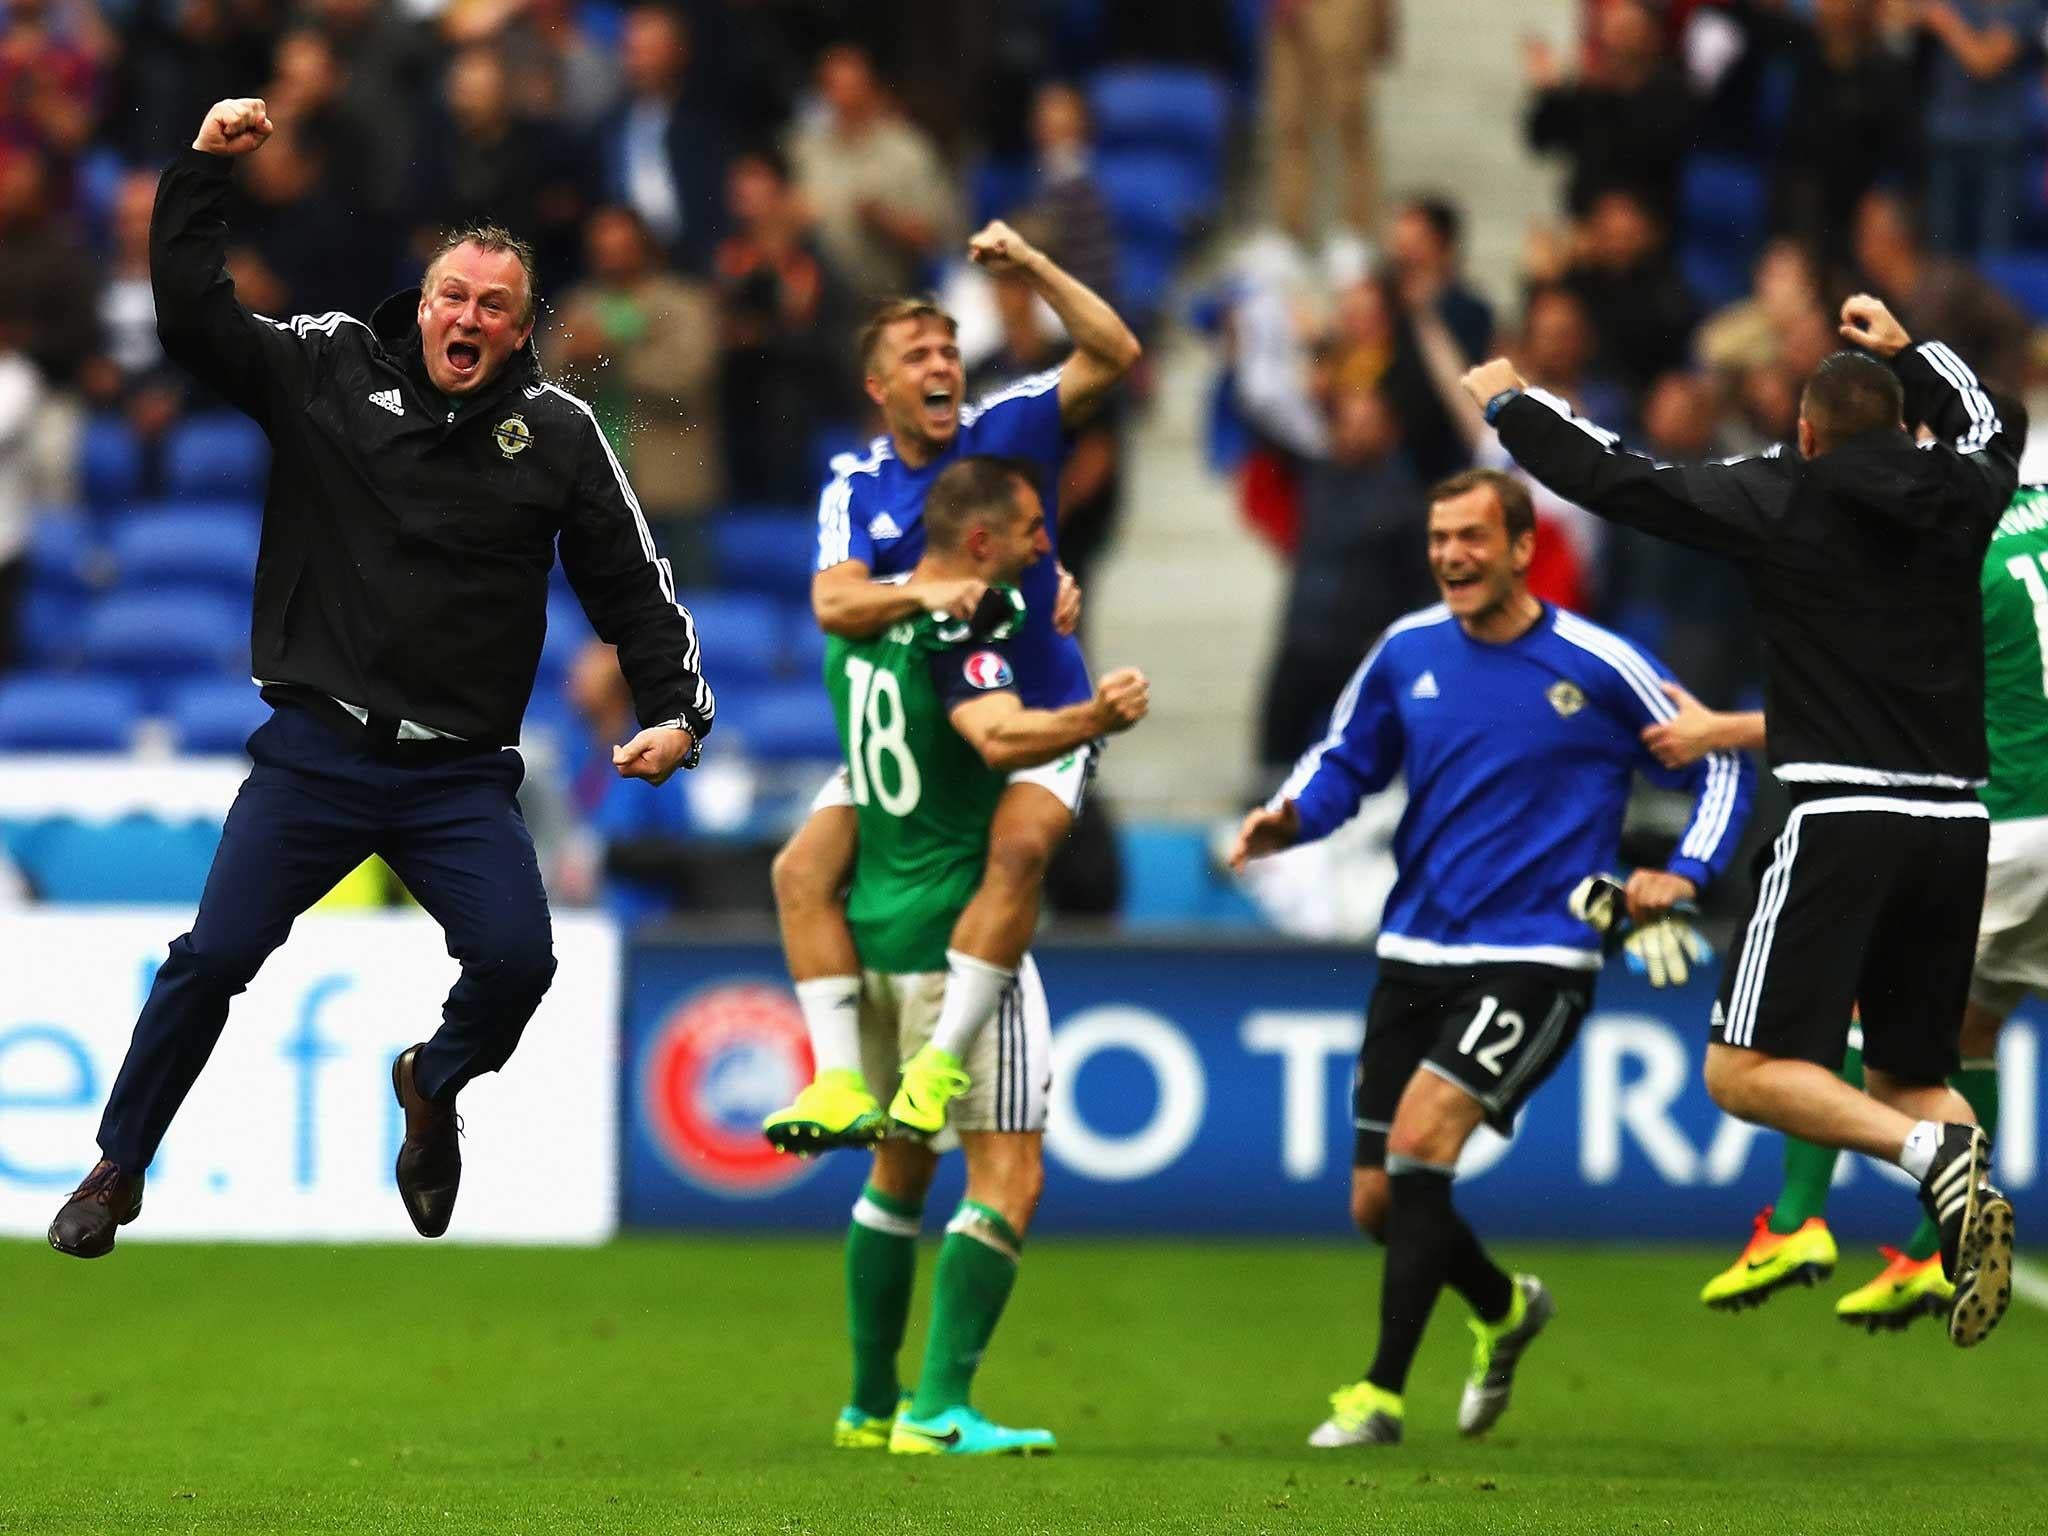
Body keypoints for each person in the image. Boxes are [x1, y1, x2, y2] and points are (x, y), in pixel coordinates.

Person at [45, 97, 714, 1260]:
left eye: (493, 307)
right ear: (426, 301)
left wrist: (675, 712)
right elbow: (194, 318)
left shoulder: (555, 433)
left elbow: (632, 586)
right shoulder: (330, 366)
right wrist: (202, 173)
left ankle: (432, 1079)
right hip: (315, 754)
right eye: (454, 295)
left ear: (520, 331)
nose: (468, 316)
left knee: (518, 959)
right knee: (214, 957)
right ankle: (117, 1166)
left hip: (455, 776)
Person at [1473, 294, 2020, 1347]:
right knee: (1911, 1074)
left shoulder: (1781, 492)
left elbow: (1621, 478)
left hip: (1841, 817)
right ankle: (1952, 1191)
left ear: (1807, 432)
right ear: (1900, 420)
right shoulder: (1962, 491)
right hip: (1955, 824)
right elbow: (1993, 419)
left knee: (1741, 1070)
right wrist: (1913, 352)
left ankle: (1927, 1163)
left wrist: (1512, 406)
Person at [1229, 467, 1753, 1447]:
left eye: (1470, 538)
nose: (1450, 558)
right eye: (1438, 540)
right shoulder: (1405, 650)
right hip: (1414, 942)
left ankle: (1377, 1395)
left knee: (1423, 1141)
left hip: (1539, 950)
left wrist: (1682, 872)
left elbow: (1718, 756)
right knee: (1378, 1201)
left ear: (1520, 548)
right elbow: (1346, 756)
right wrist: (1290, 818)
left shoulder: (1596, 663)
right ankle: (1504, 1309)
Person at [763, 218, 1139, 1150]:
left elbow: (1115, 350)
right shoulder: (856, 485)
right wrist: (930, 590)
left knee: (1018, 855)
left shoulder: (1009, 430)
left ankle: (941, 1064)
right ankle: (842, 1081)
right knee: (800, 870)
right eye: (915, 352)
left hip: (1036, 707)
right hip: (915, 743)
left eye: (948, 348)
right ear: (878, 385)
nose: (940, 363)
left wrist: (1035, 264)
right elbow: (832, 604)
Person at [1648, 474, 2047, 1328]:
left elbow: (1864, 712)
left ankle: (1798, 1222)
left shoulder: (1954, 547)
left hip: (2008, 827)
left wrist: (1720, 729)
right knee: (1974, 1027)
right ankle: (1927, 1250)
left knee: (1869, 1014)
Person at [827, 455, 1148, 1457]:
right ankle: (935, 1411)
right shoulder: (960, 628)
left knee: (896, 1171)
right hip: (960, 934)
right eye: (1026, 531)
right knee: (1006, 1175)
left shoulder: (860, 631)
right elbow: (997, 735)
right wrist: (1090, 718)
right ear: (978, 543)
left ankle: (867, 1402)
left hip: (872, 925)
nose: (1043, 543)